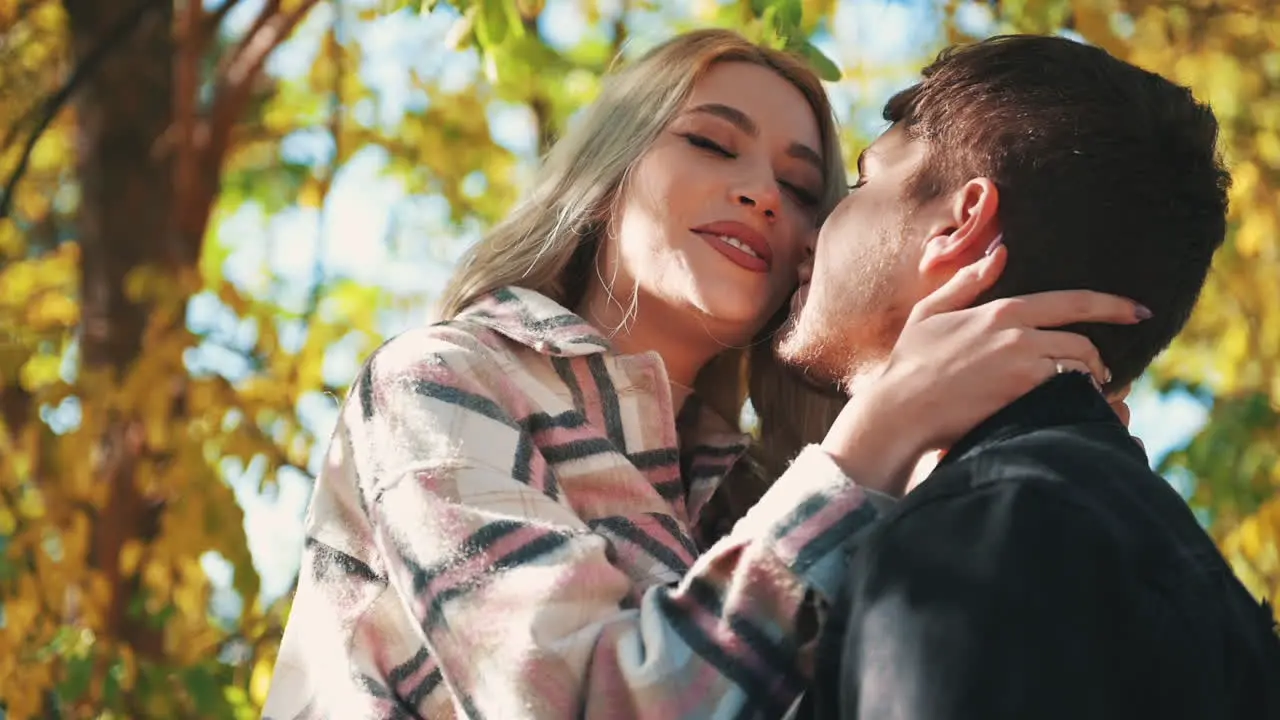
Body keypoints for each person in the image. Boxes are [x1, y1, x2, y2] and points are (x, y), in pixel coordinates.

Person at [261, 30, 1148, 719]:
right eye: (713, 144)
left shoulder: (757, 493)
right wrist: (874, 435)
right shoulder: (441, 384)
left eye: (804, 191)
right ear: (610, 173)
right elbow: (576, 704)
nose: (764, 194)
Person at [779, 35, 1280, 720]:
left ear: (961, 222)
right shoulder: (1129, 542)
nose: (810, 232)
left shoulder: (987, 539)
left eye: (865, 180)